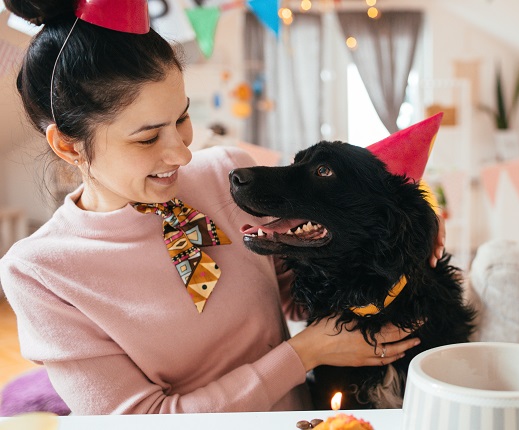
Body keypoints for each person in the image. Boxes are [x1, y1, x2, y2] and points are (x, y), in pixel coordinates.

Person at [0, 0, 445, 415]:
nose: (182, 154)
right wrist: (305, 352)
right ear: (67, 145)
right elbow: (140, 422)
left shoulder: (225, 173)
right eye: (148, 138)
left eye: (182, 119)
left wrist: (394, 228)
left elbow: (302, 292)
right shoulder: (40, 271)